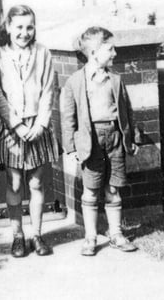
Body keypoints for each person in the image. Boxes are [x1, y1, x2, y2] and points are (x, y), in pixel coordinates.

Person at [0, 5, 57, 258]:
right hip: (11, 127)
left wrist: (40, 124)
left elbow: (49, 90)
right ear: (8, 27)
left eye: (29, 27)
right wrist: (16, 124)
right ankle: (17, 235)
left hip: (37, 126)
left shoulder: (43, 53)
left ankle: (37, 235)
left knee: (36, 182)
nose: (24, 33)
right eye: (19, 27)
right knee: (14, 183)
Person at [59, 26, 139, 256]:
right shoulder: (75, 82)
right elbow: (68, 117)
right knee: (91, 190)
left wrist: (130, 139)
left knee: (113, 188)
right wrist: (71, 146)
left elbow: (127, 111)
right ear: (94, 52)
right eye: (110, 49)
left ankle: (116, 234)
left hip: (114, 138)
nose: (115, 54)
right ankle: (90, 237)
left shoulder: (115, 79)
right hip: (90, 141)